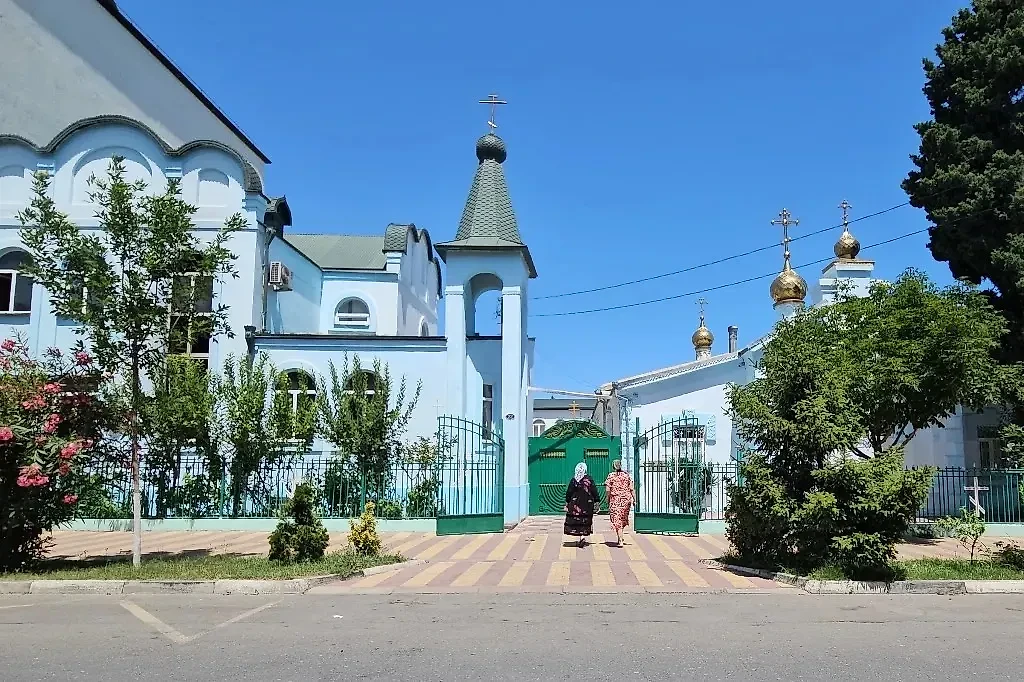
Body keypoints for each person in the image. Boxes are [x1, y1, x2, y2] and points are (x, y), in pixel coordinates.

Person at [564, 462, 600, 548]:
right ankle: (583, 536)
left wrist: (567, 502)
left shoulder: (574, 480)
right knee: (585, 519)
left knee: (578, 519)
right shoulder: (589, 479)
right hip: (587, 504)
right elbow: (594, 490)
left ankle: (580, 536)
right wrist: (597, 501)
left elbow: (569, 492)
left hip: (576, 504)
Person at [604, 459, 634, 547]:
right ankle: (620, 536)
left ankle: (620, 540)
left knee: (617, 520)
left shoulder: (611, 476)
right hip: (626, 500)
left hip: (616, 500)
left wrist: (607, 499)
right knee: (622, 519)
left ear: (613, 466)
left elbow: (607, 489)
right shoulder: (626, 475)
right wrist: (635, 499)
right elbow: (632, 488)